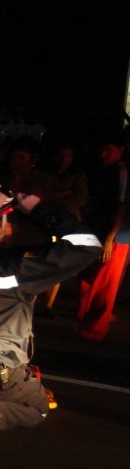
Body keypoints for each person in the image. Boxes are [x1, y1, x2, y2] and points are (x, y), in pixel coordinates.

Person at [0, 186, 101, 430]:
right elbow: (87, 245)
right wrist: (39, 209)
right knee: (38, 408)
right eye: (8, 222)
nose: (14, 227)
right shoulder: (15, 269)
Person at [76, 132, 127, 341]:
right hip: (95, 230)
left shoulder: (121, 173)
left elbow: (121, 206)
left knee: (104, 283)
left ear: (121, 150)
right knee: (87, 278)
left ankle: (94, 330)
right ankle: (84, 322)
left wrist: (110, 238)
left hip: (116, 236)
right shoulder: (102, 171)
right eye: (102, 150)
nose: (103, 154)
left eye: (109, 150)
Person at [39, 140, 89, 316]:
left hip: (66, 223)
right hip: (44, 222)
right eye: (61, 155)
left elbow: (81, 197)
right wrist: (65, 192)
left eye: (68, 156)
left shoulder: (77, 175)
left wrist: (60, 197)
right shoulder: (44, 174)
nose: (64, 159)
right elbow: (43, 196)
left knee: (58, 261)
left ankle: (48, 305)